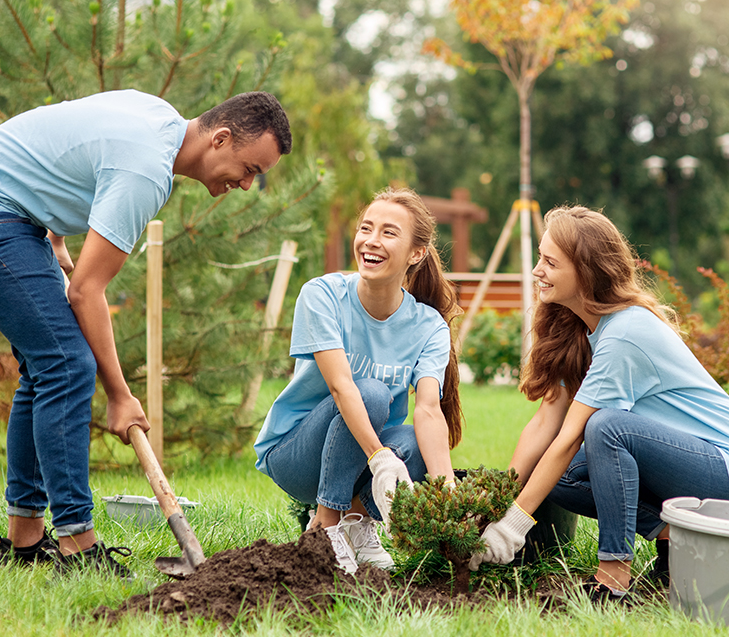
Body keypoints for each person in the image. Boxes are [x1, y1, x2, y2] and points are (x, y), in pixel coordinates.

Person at [0, 89, 292, 575]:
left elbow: (66, 140)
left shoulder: (156, 115)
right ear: (220, 139)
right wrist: (119, 395)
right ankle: (78, 544)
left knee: (44, 368)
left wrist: (54, 234)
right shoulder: (146, 171)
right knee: (67, 365)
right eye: (250, 170)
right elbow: (86, 292)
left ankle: (25, 542)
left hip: (3, 211)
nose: (246, 184)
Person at [470, 205, 729, 601]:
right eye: (540, 257)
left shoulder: (625, 332)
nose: (538, 270)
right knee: (559, 472)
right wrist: (494, 503)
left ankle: (613, 574)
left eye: (550, 262)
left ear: (586, 272)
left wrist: (513, 526)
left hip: (718, 467)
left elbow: (571, 437)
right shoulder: (580, 328)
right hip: (680, 467)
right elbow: (545, 423)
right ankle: (677, 536)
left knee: (608, 427)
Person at [254, 187, 463, 572]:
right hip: (297, 455)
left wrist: (448, 499)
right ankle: (325, 527)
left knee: (418, 443)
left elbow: (430, 411)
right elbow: (341, 387)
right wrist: (380, 457)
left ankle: (356, 522)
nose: (371, 241)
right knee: (371, 392)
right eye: (366, 228)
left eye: (388, 232)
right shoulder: (323, 295)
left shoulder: (429, 326)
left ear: (416, 253)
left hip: (359, 457)